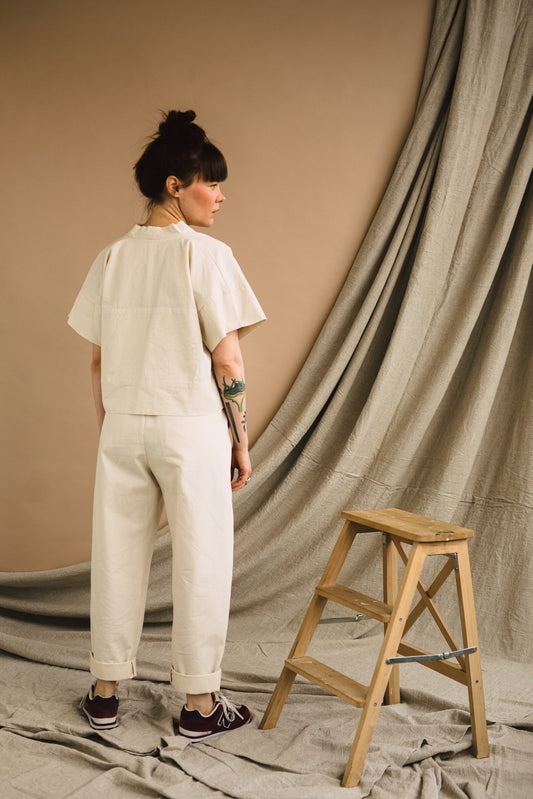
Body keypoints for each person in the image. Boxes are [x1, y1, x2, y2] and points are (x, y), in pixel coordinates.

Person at [68, 109, 266, 740]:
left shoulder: (111, 257)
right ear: (175, 186)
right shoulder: (206, 255)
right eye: (212, 182)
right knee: (202, 558)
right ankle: (200, 704)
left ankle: (104, 694)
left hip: (124, 427)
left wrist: (114, 427)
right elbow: (228, 360)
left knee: (116, 556)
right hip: (191, 427)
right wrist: (240, 440)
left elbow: (97, 360)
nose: (221, 195)